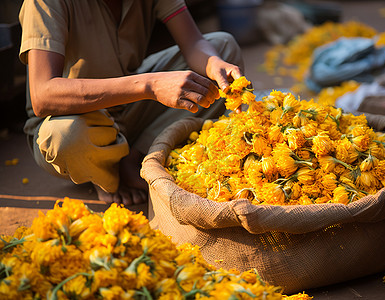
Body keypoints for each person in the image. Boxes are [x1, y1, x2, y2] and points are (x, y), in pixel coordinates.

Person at [18, 0, 244, 206]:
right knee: (65, 136)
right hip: (77, 121)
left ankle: (134, 156)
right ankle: (104, 175)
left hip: (131, 106)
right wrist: (150, 85)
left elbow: (193, 42)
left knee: (224, 48)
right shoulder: (43, 3)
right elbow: (43, 95)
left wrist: (214, 64)